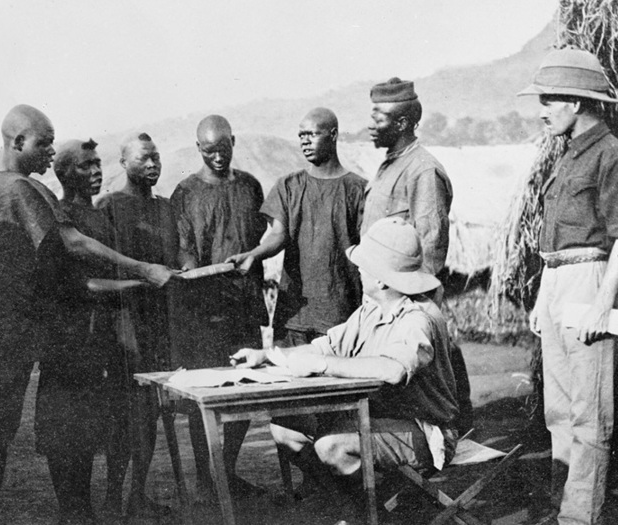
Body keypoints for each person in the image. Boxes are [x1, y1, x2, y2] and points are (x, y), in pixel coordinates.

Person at [0, 105, 172, 525]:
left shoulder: (18, 188)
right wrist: (143, 269)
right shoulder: (16, 188)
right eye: (43, 143)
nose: (49, 151)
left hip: (7, 332)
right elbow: (72, 242)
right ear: (17, 142)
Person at [231, 218, 459, 507]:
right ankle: (347, 503)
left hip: (426, 431)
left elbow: (393, 369)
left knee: (332, 446)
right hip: (377, 418)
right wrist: (268, 355)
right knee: (285, 429)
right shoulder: (372, 310)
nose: (358, 270)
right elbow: (325, 346)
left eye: (363, 266)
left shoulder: (418, 318)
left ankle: (365, 513)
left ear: (381, 280)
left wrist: (323, 365)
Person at [519, 48, 618, 525]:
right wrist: (542, 297)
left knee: (590, 411)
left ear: (576, 102)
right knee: (558, 409)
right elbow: (555, 242)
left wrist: (602, 302)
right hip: (558, 281)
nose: (542, 110)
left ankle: (580, 517)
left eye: (549, 100)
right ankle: (563, 505)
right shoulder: (570, 156)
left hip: (591, 282)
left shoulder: (614, 157)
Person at [35, 138, 148, 525]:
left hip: (106, 338)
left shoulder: (100, 216)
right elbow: (80, 285)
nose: (96, 171)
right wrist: (139, 284)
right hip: (70, 340)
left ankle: (97, 509)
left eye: (98, 163)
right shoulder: (60, 218)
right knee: (67, 434)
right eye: (85, 166)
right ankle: (74, 513)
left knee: (104, 426)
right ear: (64, 173)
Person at [365, 77, 473, 434]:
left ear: (402, 123)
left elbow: (429, 247)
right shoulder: (391, 165)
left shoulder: (422, 170)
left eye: (379, 117)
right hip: (386, 299)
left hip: (407, 302)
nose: (370, 123)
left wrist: (410, 306)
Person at [170, 115, 268, 500]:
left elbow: (260, 240)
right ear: (198, 148)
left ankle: (226, 472)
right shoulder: (185, 193)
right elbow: (182, 247)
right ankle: (205, 479)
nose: (217, 157)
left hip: (244, 307)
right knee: (204, 396)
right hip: (204, 312)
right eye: (209, 150)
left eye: (223, 149)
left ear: (233, 142)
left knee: (244, 391)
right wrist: (192, 268)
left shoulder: (250, 186)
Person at [226, 108, 366, 346]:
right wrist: (253, 255)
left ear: (333, 135)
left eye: (312, 134)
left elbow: (368, 248)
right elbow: (278, 235)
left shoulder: (358, 189)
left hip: (340, 314)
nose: (305, 141)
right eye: (301, 135)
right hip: (293, 314)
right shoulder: (289, 186)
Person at [95, 132, 179, 518]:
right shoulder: (108, 206)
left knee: (150, 412)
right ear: (123, 163)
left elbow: (176, 256)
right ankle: (113, 496)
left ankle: (137, 494)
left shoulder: (166, 208)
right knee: (123, 412)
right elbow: (97, 267)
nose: (152, 164)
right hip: (123, 322)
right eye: (143, 158)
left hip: (159, 322)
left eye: (156, 157)